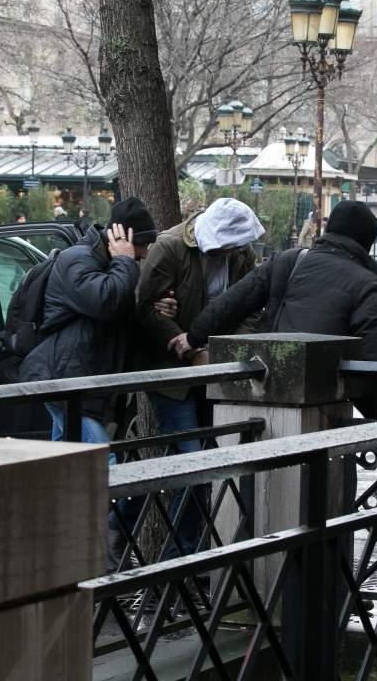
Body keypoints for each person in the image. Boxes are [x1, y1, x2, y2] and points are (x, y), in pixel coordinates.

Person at [168, 200, 377, 420]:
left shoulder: (291, 260)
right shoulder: (370, 286)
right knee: (325, 470)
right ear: (366, 241)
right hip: (327, 395)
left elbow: (234, 301)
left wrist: (193, 337)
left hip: (267, 380)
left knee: (264, 468)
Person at [133, 197, 263, 558]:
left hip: (213, 370)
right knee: (193, 463)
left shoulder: (241, 254)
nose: (235, 251)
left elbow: (251, 306)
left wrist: (219, 353)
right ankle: (173, 557)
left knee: (203, 461)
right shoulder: (171, 247)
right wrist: (188, 350)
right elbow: (147, 308)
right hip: (173, 375)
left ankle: (182, 554)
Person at [19, 196, 157, 444]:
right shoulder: (78, 259)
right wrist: (124, 260)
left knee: (65, 459)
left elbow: (118, 318)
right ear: (123, 239)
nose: (146, 251)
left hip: (79, 378)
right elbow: (105, 301)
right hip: (62, 379)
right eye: (143, 243)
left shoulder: (109, 264)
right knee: (102, 458)